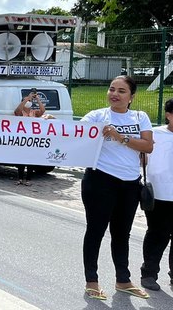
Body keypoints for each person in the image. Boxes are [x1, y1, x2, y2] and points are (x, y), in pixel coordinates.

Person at [79, 75, 154, 301]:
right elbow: (74, 133)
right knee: (95, 231)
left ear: (132, 96)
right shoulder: (96, 116)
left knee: (122, 234)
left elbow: (147, 146)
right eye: (112, 89)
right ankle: (91, 281)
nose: (115, 94)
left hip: (130, 184)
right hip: (100, 181)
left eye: (121, 91)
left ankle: (123, 280)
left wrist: (119, 137)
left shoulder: (140, 117)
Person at [141, 98, 173, 292]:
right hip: (160, 194)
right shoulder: (155, 135)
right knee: (158, 235)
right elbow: (142, 158)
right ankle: (149, 273)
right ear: (169, 115)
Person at [13, 90, 46, 186]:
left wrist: (38, 100)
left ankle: (28, 179)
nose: (28, 102)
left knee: (30, 160)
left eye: (29, 101)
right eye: (26, 101)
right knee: (21, 160)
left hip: (32, 139)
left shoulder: (33, 113)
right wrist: (27, 98)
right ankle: (20, 178)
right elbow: (17, 111)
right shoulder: (20, 112)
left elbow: (43, 111)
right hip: (22, 139)